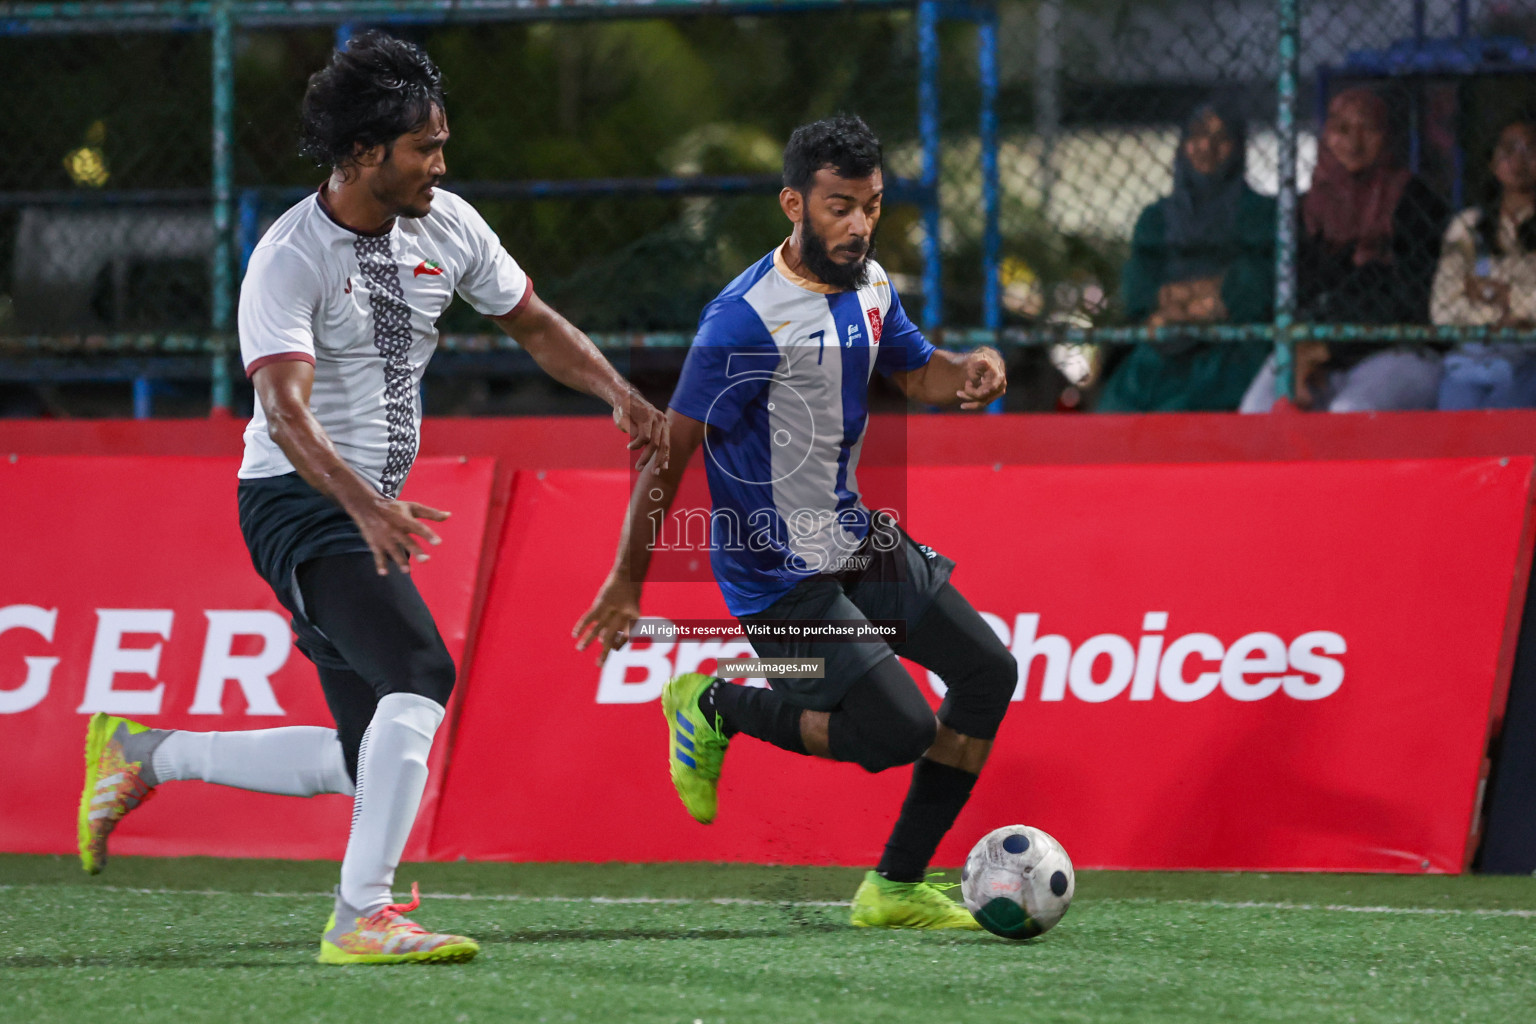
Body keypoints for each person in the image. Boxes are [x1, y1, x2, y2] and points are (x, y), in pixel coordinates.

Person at [77, 32, 669, 966]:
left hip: (361, 508)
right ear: (362, 153)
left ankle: (146, 755)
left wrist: (624, 399)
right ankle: (362, 915)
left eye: (441, 142)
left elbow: (535, 323)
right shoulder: (289, 256)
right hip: (295, 501)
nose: (441, 161)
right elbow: (284, 408)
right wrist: (359, 504)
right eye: (423, 148)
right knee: (421, 675)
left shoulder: (449, 224)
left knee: (368, 760)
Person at [573, 115, 1016, 930]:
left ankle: (893, 889)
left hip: (853, 539)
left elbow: (919, 375)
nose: (858, 226)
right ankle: (714, 707)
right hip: (777, 579)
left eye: (872, 206)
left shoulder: (872, 285)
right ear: (793, 204)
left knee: (989, 672)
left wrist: (970, 372)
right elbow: (668, 455)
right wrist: (625, 582)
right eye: (840, 206)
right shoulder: (743, 320)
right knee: (899, 729)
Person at [1241, 87, 1449, 412]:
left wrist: (1325, 346)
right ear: (1325, 135)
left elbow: (1411, 298)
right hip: (1315, 353)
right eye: (1342, 129)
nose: (1354, 142)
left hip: (1399, 351)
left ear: (1388, 135)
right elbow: (1289, 293)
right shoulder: (1309, 209)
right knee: (1256, 409)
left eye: (1368, 128)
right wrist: (1302, 350)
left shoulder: (1414, 200)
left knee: (1349, 412)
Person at [1097, 99, 1274, 412]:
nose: (1207, 145)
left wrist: (1196, 298)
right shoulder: (1156, 218)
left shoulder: (1261, 213)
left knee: (1188, 409)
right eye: (1197, 134)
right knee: (1117, 408)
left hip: (1234, 346)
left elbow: (1258, 285)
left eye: (1222, 138)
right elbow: (1139, 291)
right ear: (1182, 145)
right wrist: (1198, 299)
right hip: (1165, 341)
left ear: (1239, 148)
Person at [1433, 117, 1536, 409]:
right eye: (1508, 149)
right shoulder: (1467, 225)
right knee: (1454, 420)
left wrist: (1497, 295)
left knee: (1505, 417)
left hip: (1531, 357)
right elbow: (1442, 308)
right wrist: (1507, 314)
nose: (1519, 159)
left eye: (1531, 149)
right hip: (1474, 357)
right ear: (1492, 162)